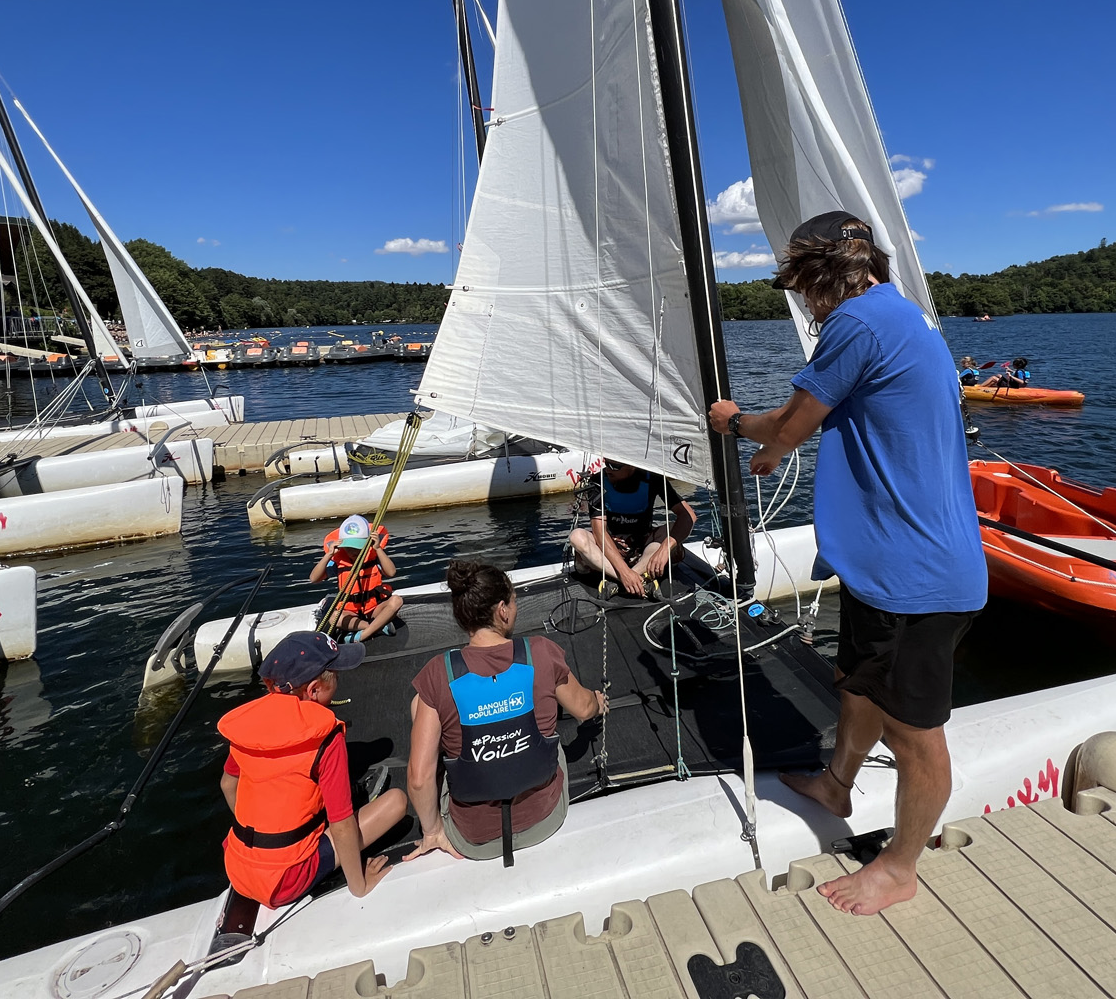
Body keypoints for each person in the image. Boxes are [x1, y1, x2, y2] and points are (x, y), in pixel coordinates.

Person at [707, 210, 986, 917]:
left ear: (818, 277)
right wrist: (781, 447)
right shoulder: (901, 315)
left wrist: (737, 424)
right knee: (856, 686)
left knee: (914, 731)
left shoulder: (854, 324)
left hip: (916, 577)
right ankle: (837, 783)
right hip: (889, 565)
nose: (801, 300)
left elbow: (792, 421)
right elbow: (848, 411)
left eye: (800, 284)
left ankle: (899, 866)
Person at [211, 631, 407, 961]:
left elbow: (228, 785)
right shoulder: (325, 737)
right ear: (314, 690)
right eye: (336, 679)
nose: (340, 684)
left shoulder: (247, 724)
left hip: (238, 867)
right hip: (288, 879)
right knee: (397, 802)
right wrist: (359, 885)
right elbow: (343, 824)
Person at [406, 559, 606, 866]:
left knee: (421, 705)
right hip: (544, 819)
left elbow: (419, 780)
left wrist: (433, 831)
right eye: (514, 602)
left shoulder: (437, 672)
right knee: (551, 737)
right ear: (502, 610)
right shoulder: (540, 651)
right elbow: (583, 708)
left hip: (473, 838)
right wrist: (596, 700)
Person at [568, 460, 696, 597]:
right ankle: (633, 579)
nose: (608, 469)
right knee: (577, 537)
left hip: (643, 547)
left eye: (615, 466)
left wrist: (665, 550)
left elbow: (688, 516)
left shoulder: (653, 478)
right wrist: (625, 573)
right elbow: (599, 532)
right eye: (606, 463)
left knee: (672, 530)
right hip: (612, 549)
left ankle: (623, 580)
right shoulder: (597, 482)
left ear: (632, 465)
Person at [312, 514, 403, 642]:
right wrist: (328, 555)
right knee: (333, 618)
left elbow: (391, 572)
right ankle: (375, 628)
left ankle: (361, 636)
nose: (352, 551)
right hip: (351, 612)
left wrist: (377, 549)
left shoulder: (373, 556)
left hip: (373, 609)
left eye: (357, 547)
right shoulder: (339, 561)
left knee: (397, 601)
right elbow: (314, 578)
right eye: (348, 547)